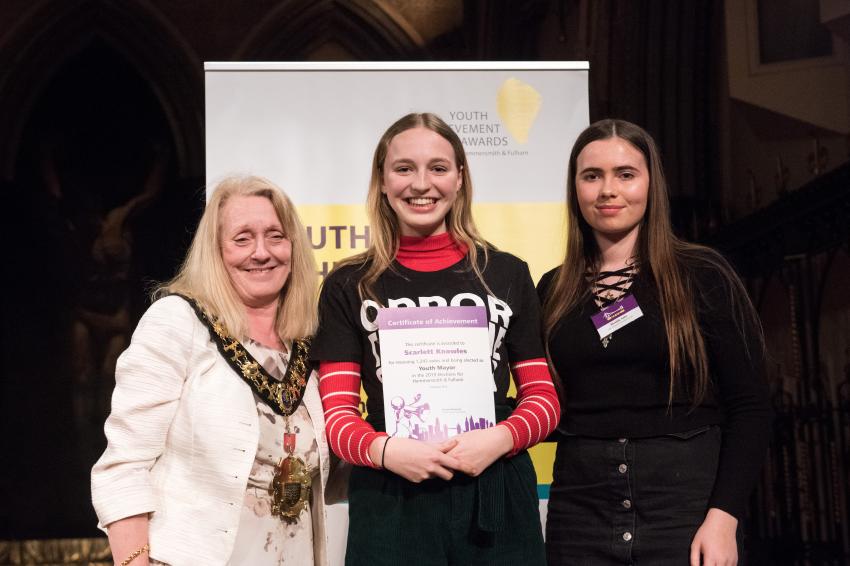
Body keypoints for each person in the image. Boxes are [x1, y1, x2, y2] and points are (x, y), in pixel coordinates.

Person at [312, 112, 560, 566]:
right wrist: (387, 451)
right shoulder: (349, 284)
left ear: (460, 178)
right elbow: (338, 419)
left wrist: (500, 440)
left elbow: (543, 400)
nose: (421, 184)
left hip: (496, 486)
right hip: (391, 491)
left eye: (438, 168)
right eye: (404, 168)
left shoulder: (506, 273)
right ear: (382, 181)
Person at [538, 119, 772, 566]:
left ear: (652, 184)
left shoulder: (702, 275)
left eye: (626, 174)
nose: (608, 189)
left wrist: (724, 518)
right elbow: (540, 400)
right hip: (580, 513)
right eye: (592, 176)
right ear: (575, 189)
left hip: (685, 509)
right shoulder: (552, 290)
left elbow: (752, 407)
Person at [91, 176, 341, 566]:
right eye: (242, 238)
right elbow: (124, 467)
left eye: (275, 236)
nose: (261, 252)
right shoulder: (178, 322)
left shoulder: (310, 339)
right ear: (216, 251)